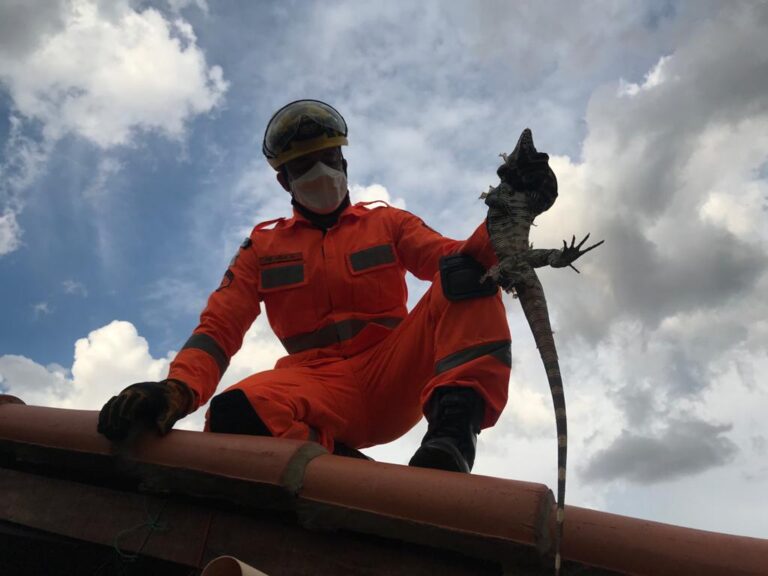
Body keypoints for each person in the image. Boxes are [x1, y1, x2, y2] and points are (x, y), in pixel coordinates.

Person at [97, 99, 513, 473]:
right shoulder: (262, 247)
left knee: (466, 273)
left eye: (329, 158)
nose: (321, 172)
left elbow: (459, 255)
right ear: (283, 181)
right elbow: (218, 328)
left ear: (345, 164)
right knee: (233, 413)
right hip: (318, 388)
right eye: (303, 166)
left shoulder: (388, 223)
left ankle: (453, 438)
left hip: (395, 373)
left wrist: (512, 211)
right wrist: (178, 390)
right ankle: (339, 469)